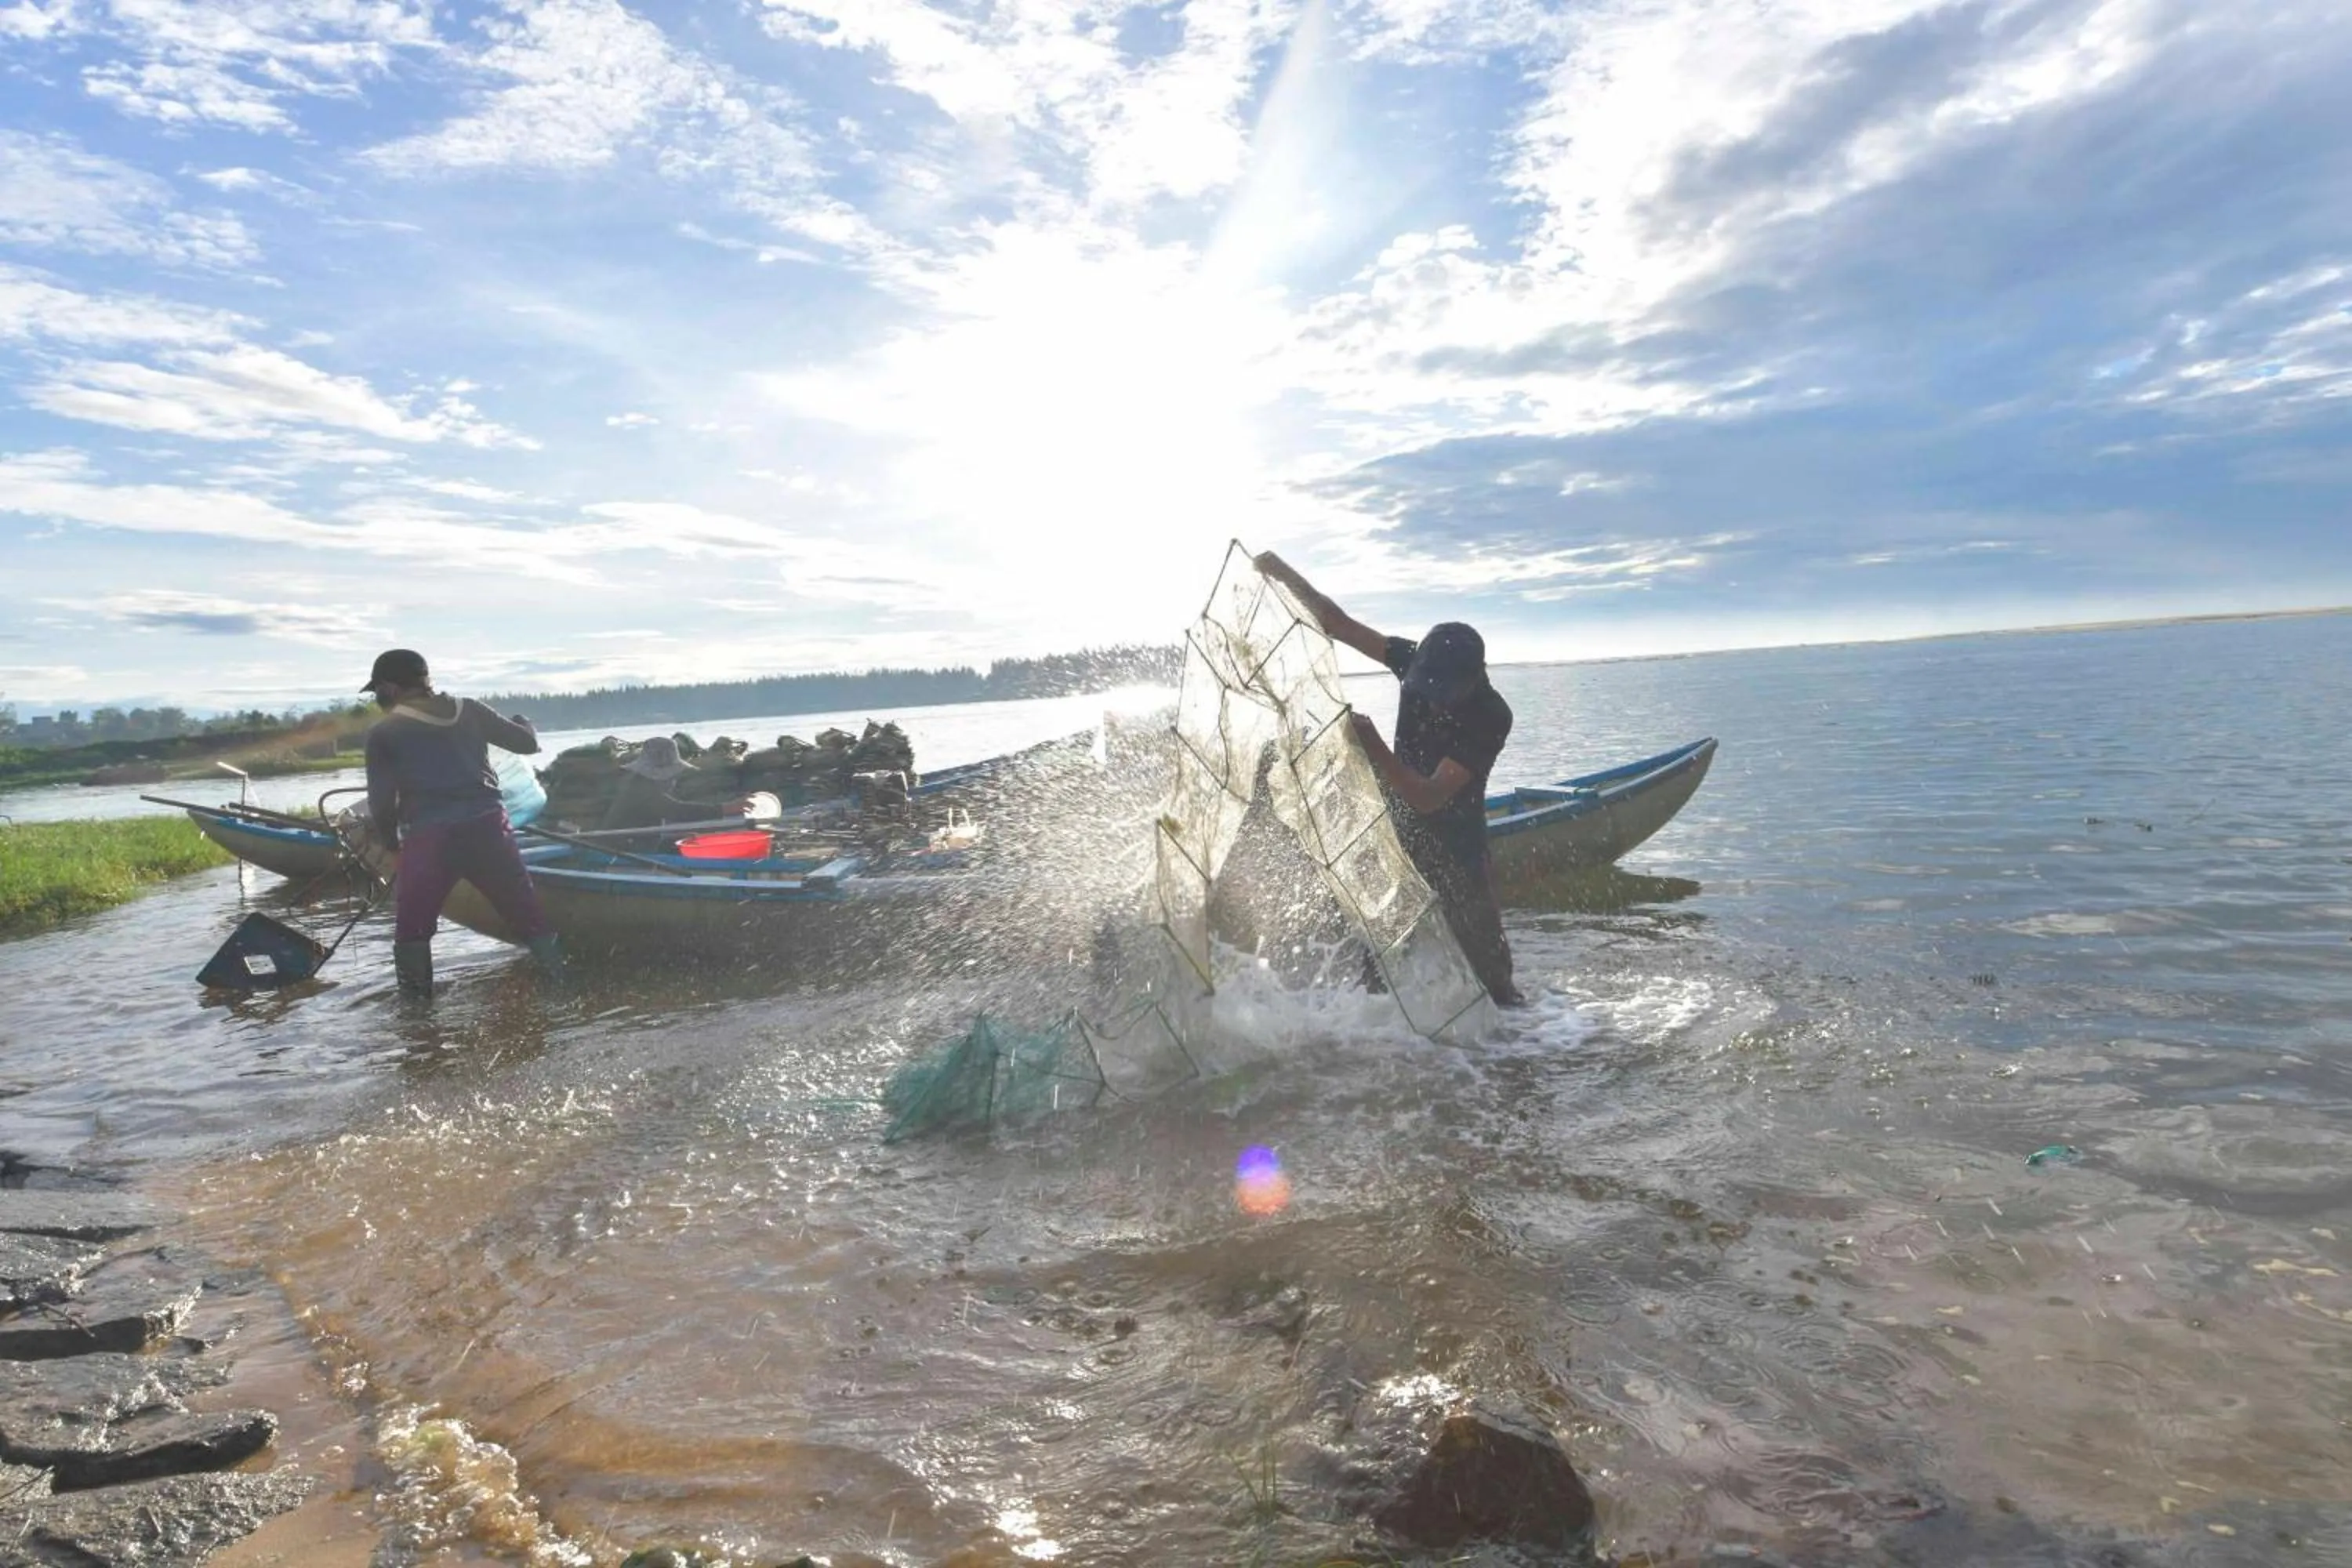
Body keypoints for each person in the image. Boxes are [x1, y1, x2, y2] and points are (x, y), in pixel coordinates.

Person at [1251, 553, 1524, 1007]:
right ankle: (1387, 1030)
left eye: (1444, 695)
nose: (1432, 703)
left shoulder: (1492, 715)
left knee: (1493, 976)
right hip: (1397, 837)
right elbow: (1334, 621)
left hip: (1456, 848)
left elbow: (1430, 796)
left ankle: (1516, 1050)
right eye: (1426, 690)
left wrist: (1371, 744)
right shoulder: (1410, 661)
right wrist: (1278, 571)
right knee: (1379, 963)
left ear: (1473, 681)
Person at [361, 648, 561, 996]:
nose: (378, 698)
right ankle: (563, 987)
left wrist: (392, 847)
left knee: (413, 929)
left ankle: (416, 1021)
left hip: (429, 838)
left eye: (377, 690)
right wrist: (524, 722)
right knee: (528, 915)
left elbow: (381, 803)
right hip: (488, 830)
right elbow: (527, 744)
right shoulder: (469, 710)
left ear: (390, 688)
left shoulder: (385, 733)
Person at [600, 735, 697, 832]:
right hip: (619, 844)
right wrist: (711, 809)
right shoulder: (640, 789)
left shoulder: (635, 783)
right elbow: (676, 810)